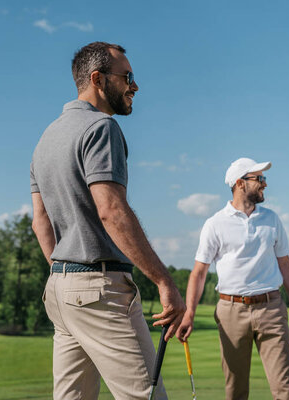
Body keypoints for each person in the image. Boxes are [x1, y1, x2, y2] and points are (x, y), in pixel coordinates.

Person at [30, 41, 185, 400]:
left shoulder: (45, 139)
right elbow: (112, 211)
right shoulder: (101, 128)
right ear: (98, 79)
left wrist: (65, 274)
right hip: (100, 292)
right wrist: (164, 281)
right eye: (127, 77)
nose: (135, 85)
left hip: (59, 291)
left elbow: (41, 223)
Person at [176, 157, 289, 400]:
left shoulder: (272, 219)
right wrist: (189, 313)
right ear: (240, 183)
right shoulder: (214, 224)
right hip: (231, 311)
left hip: (271, 308)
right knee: (235, 392)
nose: (265, 184)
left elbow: (285, 265)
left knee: (285, 391)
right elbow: (199, 272)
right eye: (260, 179)